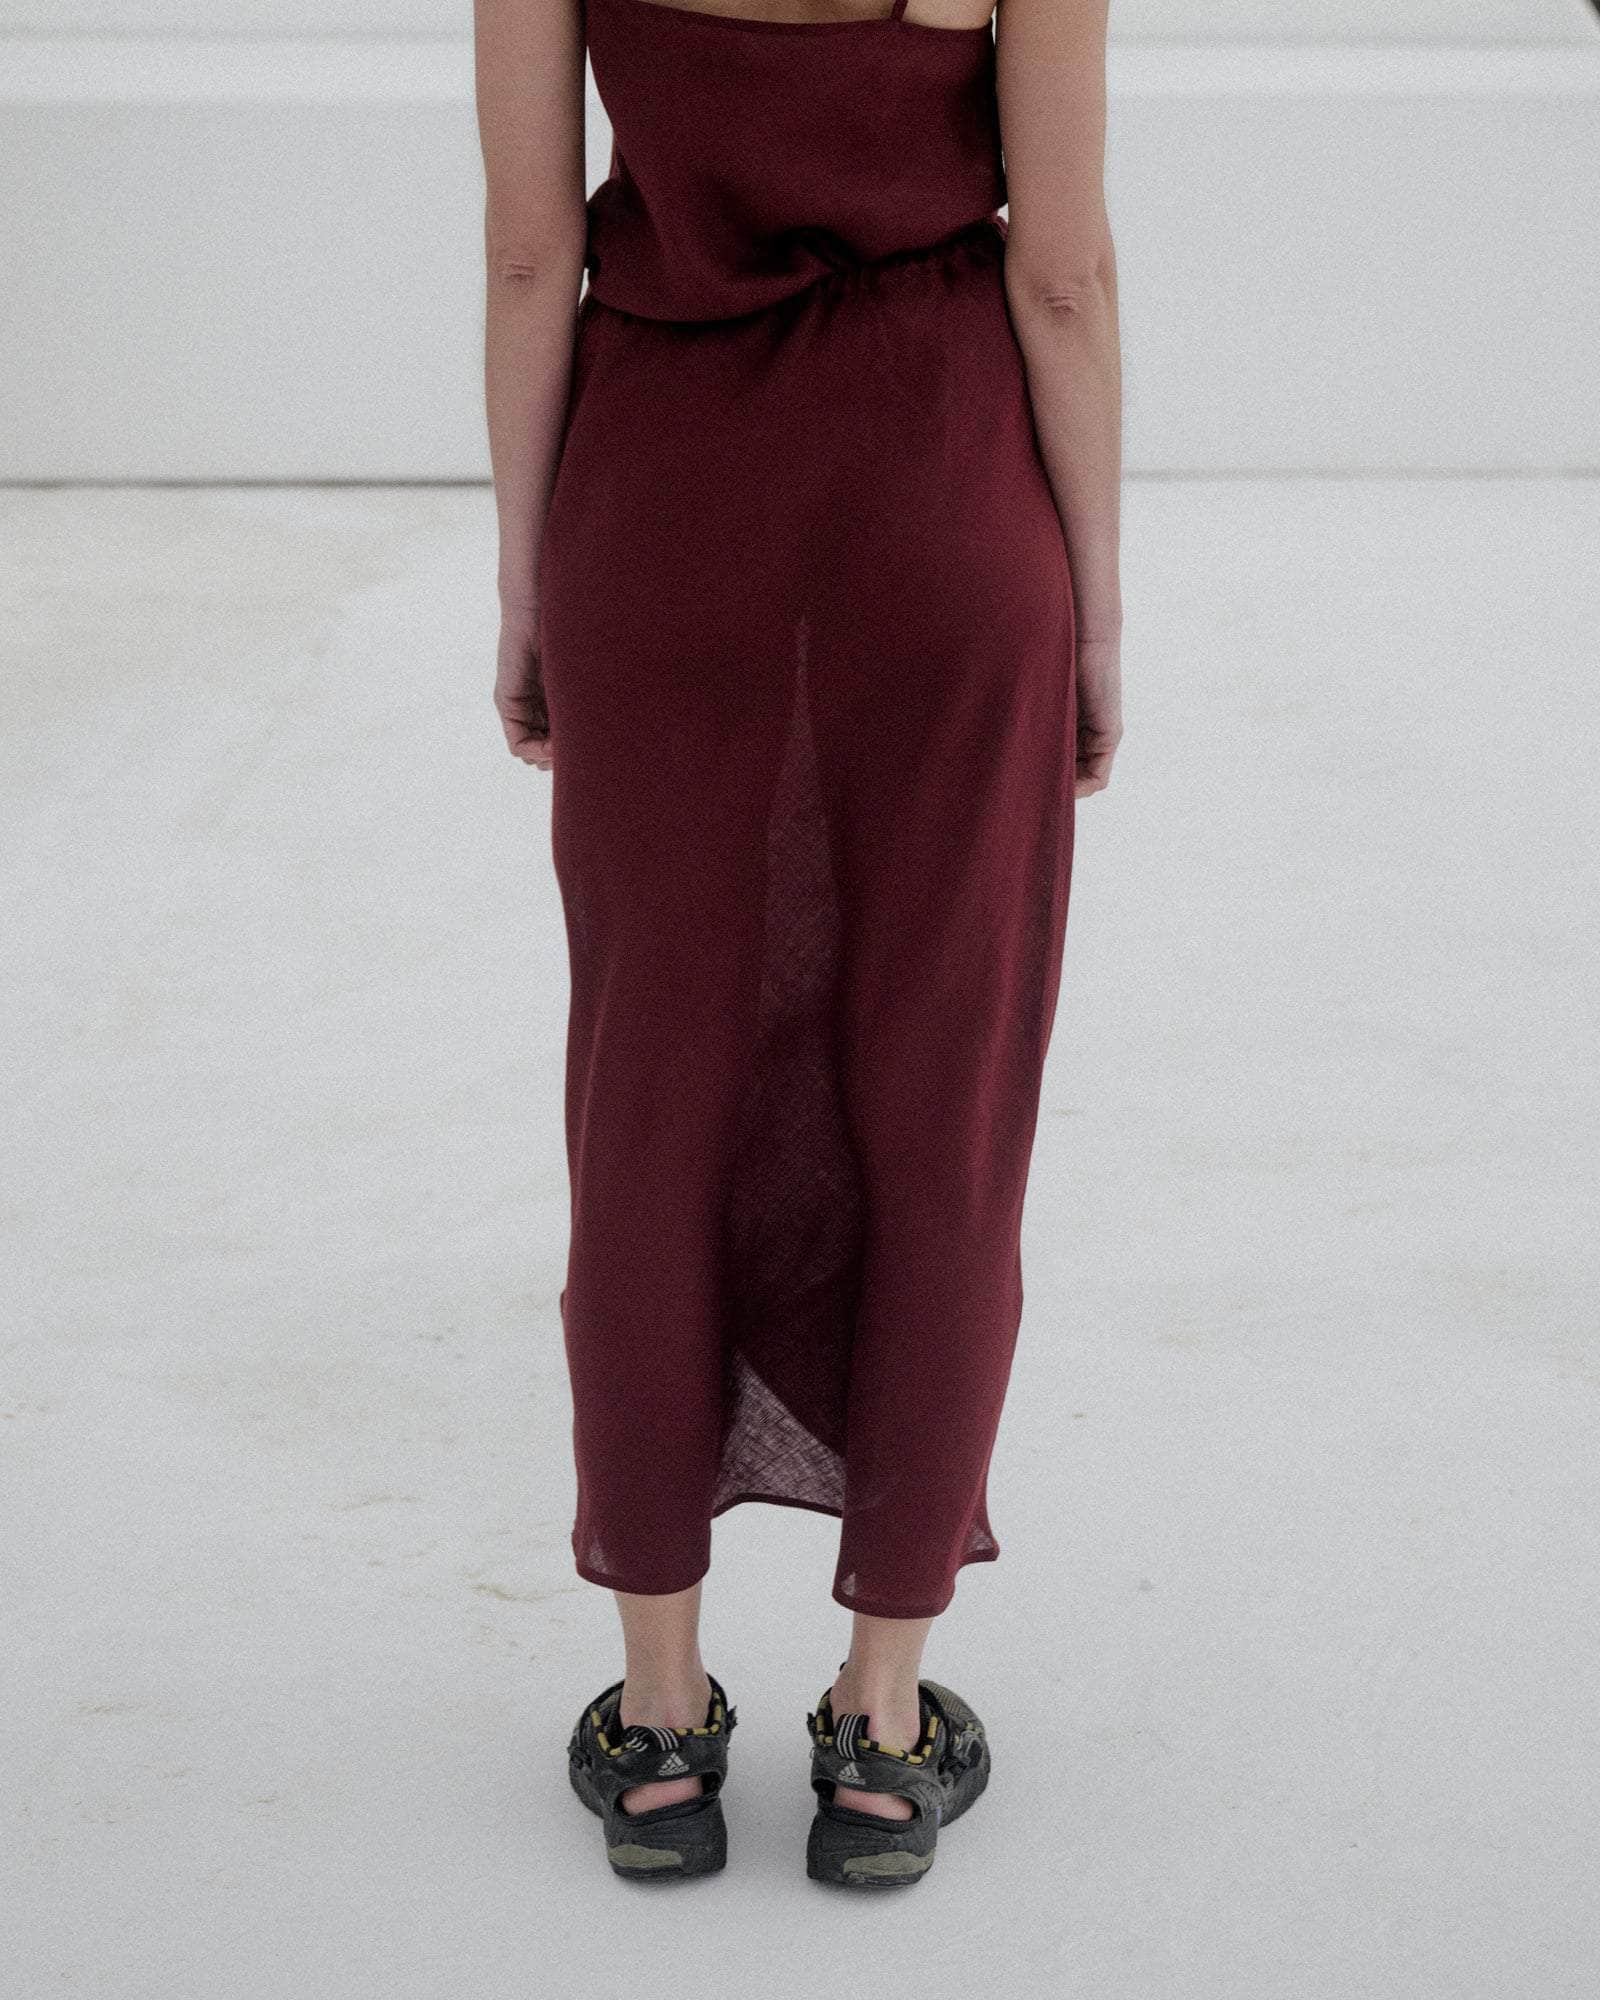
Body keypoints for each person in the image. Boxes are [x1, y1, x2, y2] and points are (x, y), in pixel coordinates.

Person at [474, 0, 1122, 1885]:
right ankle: (885, 1727)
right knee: (943, 1092)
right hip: (946, 496)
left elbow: (527, 255)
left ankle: (661, 1724)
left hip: (661, 501)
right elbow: (1061, 273)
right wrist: (1091, 607)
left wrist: (529, 580)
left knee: (650, 1086)